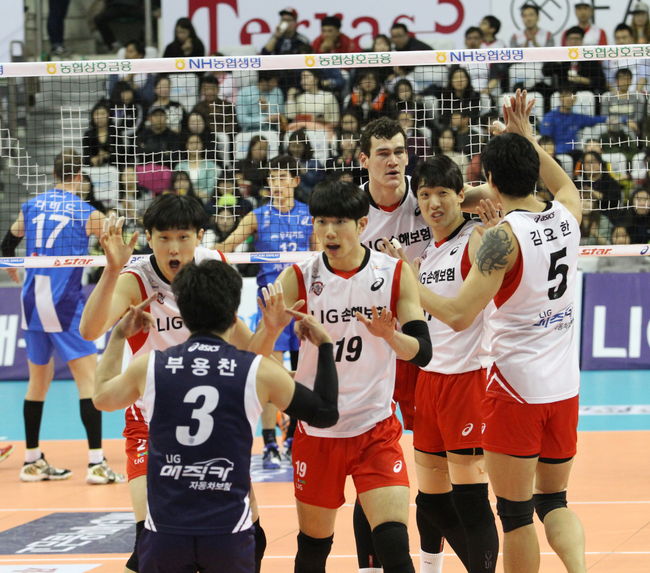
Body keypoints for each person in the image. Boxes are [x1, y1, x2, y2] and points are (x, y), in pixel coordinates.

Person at [92, 259, 339, 573]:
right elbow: (324, 413)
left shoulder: (150, 366)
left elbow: (102, 398)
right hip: (227, 531)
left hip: (167, 531)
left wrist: (117, 337)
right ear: (235, 314)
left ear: (183, 314)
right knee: (256, 540)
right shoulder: (256, 370)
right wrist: (325, 346)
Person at [428, 90, 586, 573]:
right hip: (565, 387)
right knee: (553, 501)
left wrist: (407, 281)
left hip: (515, 390)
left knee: (516, 517)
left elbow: (458, 314)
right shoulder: (568, 213)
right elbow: (559, 182)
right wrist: (526, 137)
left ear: (491, 181)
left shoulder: (503, 238)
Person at [78, 194, 268, 573]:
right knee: (148, 545)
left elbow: (247, 346)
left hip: (214, 425)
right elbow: (90, 330)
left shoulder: (213, 267)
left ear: (199, 236)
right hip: (152, 425)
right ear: (148, 238)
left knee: (253, 538)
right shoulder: (136, 280)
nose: (174, 248)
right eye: (163, 238)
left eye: (183, 237)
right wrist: (112, 271)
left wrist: (272, 334)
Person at [260, 179, 430, 573]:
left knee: (394, 545)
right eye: (321, 222)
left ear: (362, 224)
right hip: (319, 433)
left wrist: (390, 335)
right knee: (313, 548)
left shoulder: (394, 273)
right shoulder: (299, 277)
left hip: (375, 428)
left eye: (339, 222)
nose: (329, 232)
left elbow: (423, 352)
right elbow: (255, 354)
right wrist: (271, 328)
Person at [379, 155, 500, 573]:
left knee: (471, 501)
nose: (433, 203)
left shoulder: (477, 239)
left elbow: (460, 313)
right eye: (425, 194)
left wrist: (408, 280)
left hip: (468, 380)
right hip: (429, 381)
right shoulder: (428, 252)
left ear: (460, 195)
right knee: (430, 502)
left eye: (443, 193)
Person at [0, 149, 122, 485]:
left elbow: (7, 243)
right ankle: (96, 463)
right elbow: (116, 249)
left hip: (31, 300)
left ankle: (31, 460)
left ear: (54, 175)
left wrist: (12, 268)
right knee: (89, 382)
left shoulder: (32, 205)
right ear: (79, 177)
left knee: (37, 383)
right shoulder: (86, 212)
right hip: (64, 302)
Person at [219, 155, 318, 468]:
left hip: (302, 305)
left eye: (282, 177)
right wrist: (204, 255)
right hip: (270, 307)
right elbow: (226, 247)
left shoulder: (308, 215)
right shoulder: (258, 216)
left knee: (304, 376)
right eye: (272, 178)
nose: (276, 183)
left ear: (295, 181)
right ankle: (270, 443)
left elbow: (320, 256)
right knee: (268, 374)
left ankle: (295, 437)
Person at [539, 87, 607, 156]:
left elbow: (594, 119)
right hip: (555, 154)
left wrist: (611, 119)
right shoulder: (549, 117)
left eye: (572, 95)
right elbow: (545, 139)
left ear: (575, 99)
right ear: (560, 98)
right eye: (566, 95)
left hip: (573, 153)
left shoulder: (577, 118)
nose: (569, 99)